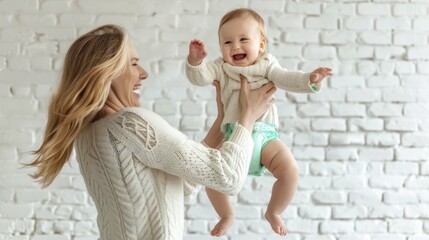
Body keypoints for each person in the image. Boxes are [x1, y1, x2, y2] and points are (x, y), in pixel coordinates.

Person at [25, 24, 277, 240]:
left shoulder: (89, 134)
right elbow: (228, 178)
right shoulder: (131, 123)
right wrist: (247, 116)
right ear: (107, 72)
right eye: (134, 63)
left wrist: (222, 121)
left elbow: (182, 185)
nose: (143, 73)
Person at [185, 8, 332, 236]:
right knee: (210, 175)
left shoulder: (267, 65)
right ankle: (227, 214)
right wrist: (195, 62)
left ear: (261, 44)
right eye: (227, 42)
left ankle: (274, 211)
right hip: (231, 137)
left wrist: (309, 80)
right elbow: (200, 78)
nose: (235, 47)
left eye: (243, 39)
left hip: (264, 138)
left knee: (290, 170)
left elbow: (285, 78)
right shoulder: (220, 68)